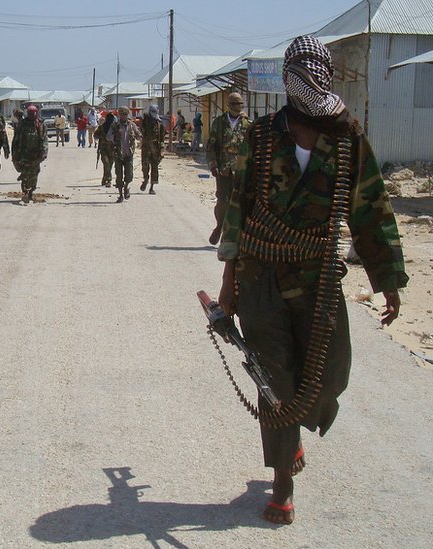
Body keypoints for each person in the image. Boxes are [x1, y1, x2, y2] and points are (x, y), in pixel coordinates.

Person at [216, 36, 408, 526]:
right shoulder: (261, 136)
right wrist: (229, 280)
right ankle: (283, 478)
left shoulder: (347, 136)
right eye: (297, 70)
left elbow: (370, 208)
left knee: (330, 376)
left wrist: (388, 278)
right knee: (274, 380)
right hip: (260, 275)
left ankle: (294, 432)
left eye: (313, 69)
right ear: (286, 79)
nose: (306, 80)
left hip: (317, 276)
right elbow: (238, 209)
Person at [206, 92, 251, 245]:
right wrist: (213, 164)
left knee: (239, 203)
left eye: (240, 104)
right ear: (229, 105)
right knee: (223, 201)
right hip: (224, 170)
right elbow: (211, 146)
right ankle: (220, 226)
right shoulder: (219, 122)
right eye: (235, 104)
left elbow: (252, 149)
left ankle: (233, 234)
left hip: (241, 171)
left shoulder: (248, 124)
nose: (238, 107)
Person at [11, 105, 48, 205]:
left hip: (36, 155)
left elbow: (44, 139)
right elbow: (16, 139)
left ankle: (31, 191)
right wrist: (15, 154)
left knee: (34, 174)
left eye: (33, 113)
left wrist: (44, 152)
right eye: (30, 113)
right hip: (24, 154)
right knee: (25, 173)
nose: (32, 115)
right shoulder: (22, 124)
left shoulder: (40, 125)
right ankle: (26, 192)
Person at [107, 106, 141, 203]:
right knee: (119, 175)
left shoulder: (132, 125)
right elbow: (109, 136)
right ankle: (120, 195)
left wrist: (140, 137)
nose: (123, 116)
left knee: (129, 175)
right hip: (118, 154)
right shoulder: (115, 125)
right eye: (121, 114)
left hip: (128, 154)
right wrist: (115, 138)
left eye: (125, 114)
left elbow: (138, 135)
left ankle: (126, 187)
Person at [139, 105, 166, 195]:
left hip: (155, 148)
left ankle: (152, 187)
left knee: (154, 167)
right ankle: (146, 179)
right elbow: (141, 128)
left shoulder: (159, 124)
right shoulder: (145, 120)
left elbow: (162, 138)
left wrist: (162, 148)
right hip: (146, 147)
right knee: (145, 166)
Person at [93, 110, 116, 187]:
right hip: (103, 149)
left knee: (109, 165)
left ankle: (104, 178)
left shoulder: (115, 128)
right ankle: (109, 180)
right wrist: (102, 136)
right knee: (106, 164)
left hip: (112, 149)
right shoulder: (102, 127)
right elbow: (95, 135)